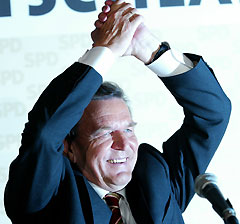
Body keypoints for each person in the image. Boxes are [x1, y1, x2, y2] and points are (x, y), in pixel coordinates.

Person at [4, 0, 231, 223]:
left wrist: (150, 49)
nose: (123, 144)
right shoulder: (46, 194)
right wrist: (106, 51)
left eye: (129, 130)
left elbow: (213, 113)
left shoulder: (155, 180)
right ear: (69, 147)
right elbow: (44, 135)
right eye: (104, 133)